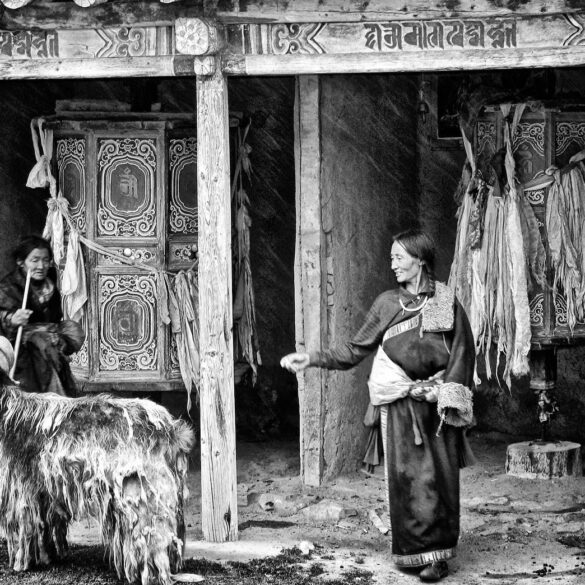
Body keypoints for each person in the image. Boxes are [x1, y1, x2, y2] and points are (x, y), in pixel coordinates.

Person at [281, 229, 475, 582]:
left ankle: (438, 557)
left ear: (420, 260)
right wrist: (312, 358)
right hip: (400, 407)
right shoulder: (387, 303)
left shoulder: (445, 300)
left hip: (436, 408)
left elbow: (463, 351)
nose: (393, 264)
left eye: (400, 257)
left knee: (440, 481)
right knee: (407, 481)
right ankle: (412, 550)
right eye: (391, 258)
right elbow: (355, 350)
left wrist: (443, 392)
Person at [0, 235, 83, 396]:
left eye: (45, 260)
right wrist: (11, 319)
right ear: (21, 262)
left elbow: (55, 319)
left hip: (50, 348)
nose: (41, 266)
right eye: (34, 260)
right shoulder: (7, 287)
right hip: (23, 354)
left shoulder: (50, 286)